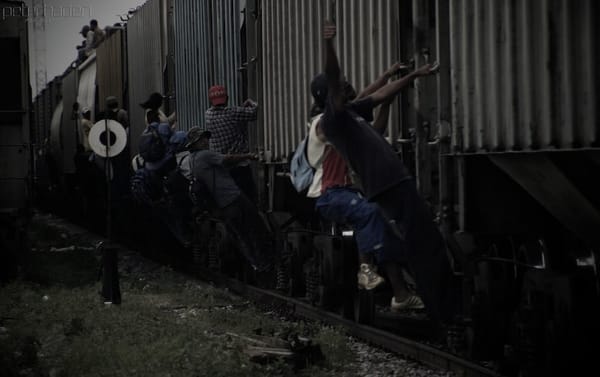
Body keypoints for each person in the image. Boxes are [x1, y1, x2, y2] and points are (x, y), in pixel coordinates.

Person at [317, 20, 456, 322]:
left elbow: (380, 95)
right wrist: (329, 44)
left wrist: (413, 75)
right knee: (422, 242)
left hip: (393, 180)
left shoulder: (352, 113)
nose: (347, 86)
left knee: (424, 238)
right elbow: (333, 75)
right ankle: (441, 310)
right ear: (329, 96)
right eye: (341, 88)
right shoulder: (334, 120)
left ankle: (436, 304)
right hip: (385, 184)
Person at [307, 64, 425, 310]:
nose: (347, 85)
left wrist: (388, 81)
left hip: (351, 192)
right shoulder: (325, 123)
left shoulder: (346, 118)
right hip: (332, 195)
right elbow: (367, 99)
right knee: (369, 213)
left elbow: (374, 126)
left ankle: (402, 293)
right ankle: (366, 271)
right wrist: (396, 82)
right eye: (340, 85)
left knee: (387, 223)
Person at [186, 126, 275, 272]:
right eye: (201, 140)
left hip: (221, 205)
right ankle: (266, 262)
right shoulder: (205, 155)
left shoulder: (191, 160)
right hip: (233, 198)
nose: (205, 141)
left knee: (240, 234)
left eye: (205, 138)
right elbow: (228, 159)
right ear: (194, 144)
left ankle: (256, 264)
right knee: (255, 227)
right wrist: (248, 156)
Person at [205, 85, 259, 202]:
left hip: (223, 167)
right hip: (240, 165)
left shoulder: (208, 115)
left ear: (210, 101)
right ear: (227, 98)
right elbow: (255, 112)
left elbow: (233, 117)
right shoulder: (233, 112)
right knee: (250, 200)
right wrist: (251, 102)